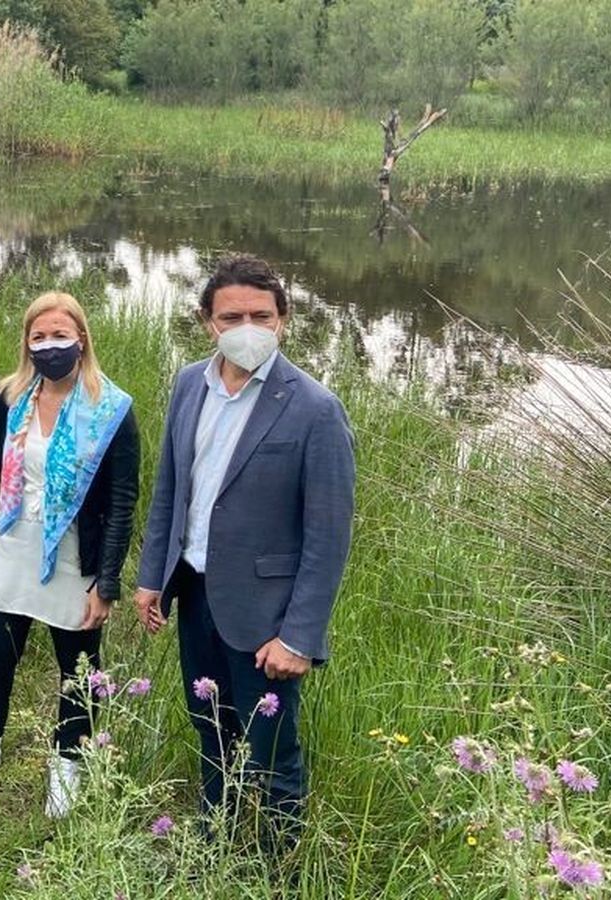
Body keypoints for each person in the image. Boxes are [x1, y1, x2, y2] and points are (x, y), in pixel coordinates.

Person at [132, 253, 355, 844]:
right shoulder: (189, 384)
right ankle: (215, 840)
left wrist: (299, 637)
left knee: (273, 750)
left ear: (283, 319)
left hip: (266, 616)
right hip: (197, 592)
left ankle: (279, 864)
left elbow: (328, 537)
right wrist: (152, 576)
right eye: (232, 317)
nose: (247, 328)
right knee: (211, 727)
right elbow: (171, 488)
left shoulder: (315, 410)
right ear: (208, 321)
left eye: (262, 315)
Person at [0, 292, 139, 819]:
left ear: (82, 339)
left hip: (75, 555)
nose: (50, 345)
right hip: (14, 544)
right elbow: (1, 473)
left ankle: (68, 760)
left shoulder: (111, 410)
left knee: (77, 666)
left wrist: (107, 581)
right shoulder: (12, 398)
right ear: (27, 344)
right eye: (39, 337)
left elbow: (122, 498)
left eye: (60, 335)